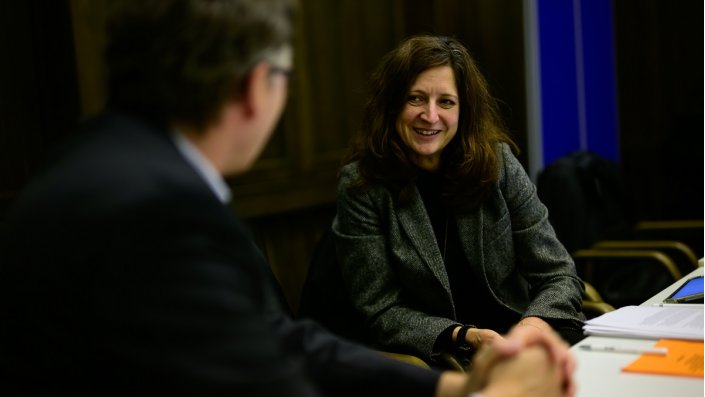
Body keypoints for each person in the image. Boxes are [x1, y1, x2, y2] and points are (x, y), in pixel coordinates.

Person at [0, 2, 574, 396]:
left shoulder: (100, 168)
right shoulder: (160, 209)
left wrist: (453, 385)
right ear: (256, 87)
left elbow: (279, 338)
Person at [332, 35, 586, 369]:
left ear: (464, 109)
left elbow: (558, 273)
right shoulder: (363, 186)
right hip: (443, 357)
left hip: (522, 340)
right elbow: (381, 311)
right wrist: (463, 336)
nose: (431, 115)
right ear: (393, 104)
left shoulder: (498, 164)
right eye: (416, 98)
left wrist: (530, 327)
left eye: (447, 102)